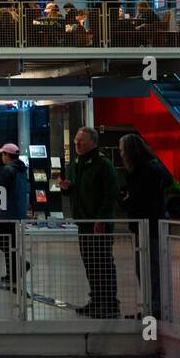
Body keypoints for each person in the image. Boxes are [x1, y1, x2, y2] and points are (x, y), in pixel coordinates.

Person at [58, 126, 120, 318]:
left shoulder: (103, 164)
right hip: (84, 222)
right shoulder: (77, 163)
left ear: (93, 142)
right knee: (90, 263)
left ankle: (109, 303)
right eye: (76, 140)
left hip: (98, 223)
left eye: (81, 141)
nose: (76, 144)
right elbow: (78, 189)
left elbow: (111, 194)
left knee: (102, 262)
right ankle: (96, 300)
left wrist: (101, 218)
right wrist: (67, 188)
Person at [118, 133, 171, 318]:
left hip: (146, 225)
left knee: (149, 268)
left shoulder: (141, 171)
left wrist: (125, 200)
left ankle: (153, 309)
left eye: (122, 150)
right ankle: (151, 307)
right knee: (149, 268)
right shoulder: (154, 167)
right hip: (151, 223)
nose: (121, 153)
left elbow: (138, 199)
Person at [0, 143, 30, 289]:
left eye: (2, 154)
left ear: (7, 155)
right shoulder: (21, 170)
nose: (2, 157)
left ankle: (20, 264)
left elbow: (1, 191)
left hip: (6, 212)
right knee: (11, 242)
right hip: (17, 212)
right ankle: (12, 273)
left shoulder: (7, 170)